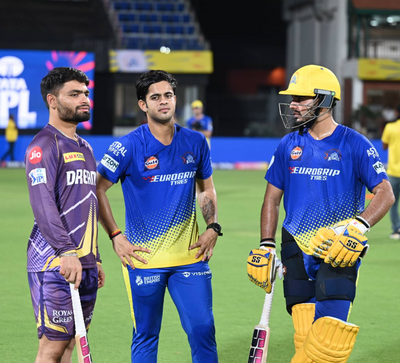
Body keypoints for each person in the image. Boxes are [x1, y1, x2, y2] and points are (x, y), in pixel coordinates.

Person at [247, 65, 394, 362]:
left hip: (338, 248)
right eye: (292, 98)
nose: (293, 105)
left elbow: (385, 193)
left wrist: (358, 227)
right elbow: (271, 199)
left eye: (300, 98)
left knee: (328, 343)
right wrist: (266, 245)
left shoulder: (354, 143)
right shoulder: (288, 144)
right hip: (294, 247)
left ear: (324, 100)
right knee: (304, 339)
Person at [97, 70, 221, 363]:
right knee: (146, 334)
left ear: (175, 99)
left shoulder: (196, 142)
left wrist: (212, 226)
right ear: (143, 104)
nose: (163, 101)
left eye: (168, 95)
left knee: (203, 329)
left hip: (190, 257)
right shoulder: (127, 146)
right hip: (143, 259)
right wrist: (115, 236)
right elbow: (97, 189)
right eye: (155, 97)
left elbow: (206, 188)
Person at [25, 67, 105, 363]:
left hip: (83, 261)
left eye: (85, 93)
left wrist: (94, 257)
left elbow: (88, 204)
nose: (84, 99)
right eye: (74, 94)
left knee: (71, 343)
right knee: (52, 348)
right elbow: (42, 203)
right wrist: (66, 252)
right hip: (54, 261)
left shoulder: (85, 147)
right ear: (52, 101)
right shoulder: (43, 145)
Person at [381, 103, 400, 239]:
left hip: (393, 171)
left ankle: (396, 230)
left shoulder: (390, 127)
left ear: (396, 112)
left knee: (393, 203)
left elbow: (384, 146)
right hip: (393, 172)